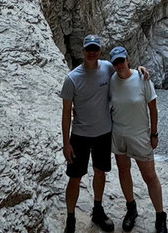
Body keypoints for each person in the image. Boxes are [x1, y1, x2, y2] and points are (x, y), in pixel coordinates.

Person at [108, 46, 167, 233]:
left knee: (149, 176)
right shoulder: (111, 80)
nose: (119, 65)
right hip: (118, 135)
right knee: (124, 171)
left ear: (128, 59)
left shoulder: (142, 78)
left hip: (140, 135)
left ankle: (160, 216)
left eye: (121, 61)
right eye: (115, 62)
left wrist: (154, 133)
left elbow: (153, 108)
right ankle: (131, 209)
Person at [61, 34, 117, 233]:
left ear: (99, 51)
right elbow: (66, 111)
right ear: (83, 51)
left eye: (95, 49)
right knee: (74, 177)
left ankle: (98, 210)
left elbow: (126, 76)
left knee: (100, 171)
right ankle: (70, 218)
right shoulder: (72, 79)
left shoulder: (108, 69)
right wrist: (66, 143)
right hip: (80, 135)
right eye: (88, 49)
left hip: (103, 132)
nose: (92, 52)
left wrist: (142, 71)